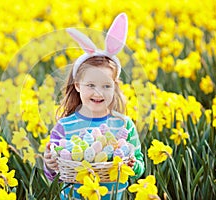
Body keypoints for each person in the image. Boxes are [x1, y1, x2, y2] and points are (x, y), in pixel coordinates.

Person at [44, 13, 144, 200]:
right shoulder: (64, 127)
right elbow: (55, 177)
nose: (98, 93)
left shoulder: (124, 124)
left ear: (115, 86)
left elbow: (139, 166)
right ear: (77, 85)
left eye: (106, 86)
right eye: (91, 85)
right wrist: (50, 165)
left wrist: (132, 164)